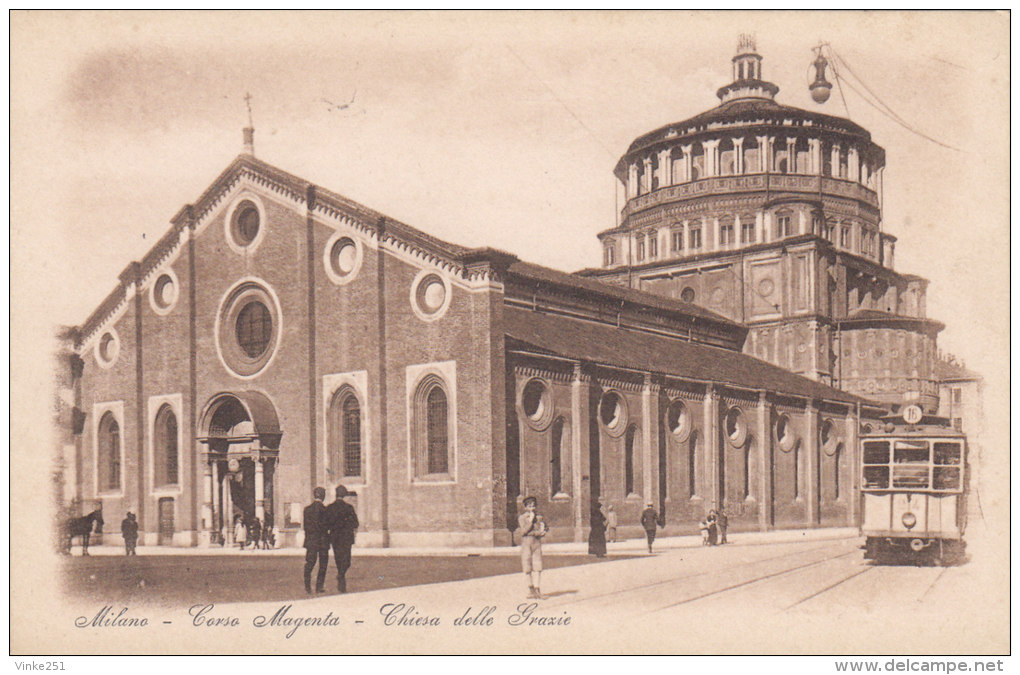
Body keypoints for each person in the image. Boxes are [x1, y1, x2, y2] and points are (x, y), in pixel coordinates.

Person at [324, 485, 360, 593]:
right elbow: (356, 523)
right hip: (346, 537)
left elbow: (326, 524)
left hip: (335, 537)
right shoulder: (349, 508)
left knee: (338, 558)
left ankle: (340, 574)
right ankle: (341, 575)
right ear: (344, 495)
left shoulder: (330, 508)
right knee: (347, 560)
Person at [518, 496, 547, 599]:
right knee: (527, 567)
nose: (532, 508)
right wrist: (530, 520)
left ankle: (537, 589)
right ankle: (531, 590)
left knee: (538, 566)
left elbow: (544, 528)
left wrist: (543, 531)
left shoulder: (539, 517)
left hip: (536, 543)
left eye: (534, 506)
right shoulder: (522, 518)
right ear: (525, 507)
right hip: (526, 544)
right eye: (529, 506)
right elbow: (524, 531)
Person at [302, 487, 329, 595]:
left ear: (314, 495)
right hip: (323, 540)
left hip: (311, 540)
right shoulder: (326, 510)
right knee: (323, 564)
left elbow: (306, 526)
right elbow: (328, 526)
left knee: (310, 563)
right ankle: (319, 586)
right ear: (323, 496)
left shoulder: (307, 509)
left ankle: (307, 586)